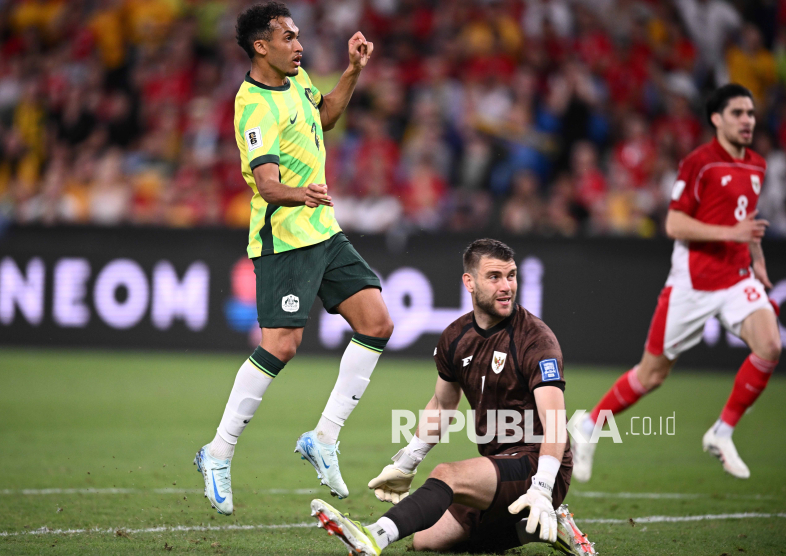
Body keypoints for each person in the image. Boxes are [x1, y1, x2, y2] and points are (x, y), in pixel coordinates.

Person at [194, 2, 394, 515]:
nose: (299, 45)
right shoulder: (252, 105)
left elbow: (324, 116)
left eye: (298, 36)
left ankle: (323, 438)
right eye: (287, 37)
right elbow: (264, 184)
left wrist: (352, 71)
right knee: (281, 347)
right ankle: (218, 452)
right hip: (284, 238)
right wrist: (300, 192)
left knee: (377, 322)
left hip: (322, 230)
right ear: (261, 46)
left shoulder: (299, 78)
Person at [309, 239, 596, 555]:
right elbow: (443, 405)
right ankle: (542, 528)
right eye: (495, 276)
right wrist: (408, 460)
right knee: (427, 541)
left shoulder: (537, 340)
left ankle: (373, 537)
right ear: (469, 282)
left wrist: (542, 487)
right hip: (496, 463)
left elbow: (555, 422)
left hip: (538, 462)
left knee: (447, 475)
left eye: (511, 275)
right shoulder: (456, 337)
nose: (507, 286)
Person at [572, 84, 781, 482]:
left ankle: (722, 432)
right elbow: (674, 223)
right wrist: (729, 235)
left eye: (751, 113)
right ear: (717, 119)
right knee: (652, 375)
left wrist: (757, 258)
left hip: (737, 277)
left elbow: (746, 222)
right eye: (738, 113)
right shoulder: (698, 163)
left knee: (770, 344)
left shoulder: (756, 164)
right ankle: (587, 426)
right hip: (694, 282)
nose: (747, 120)